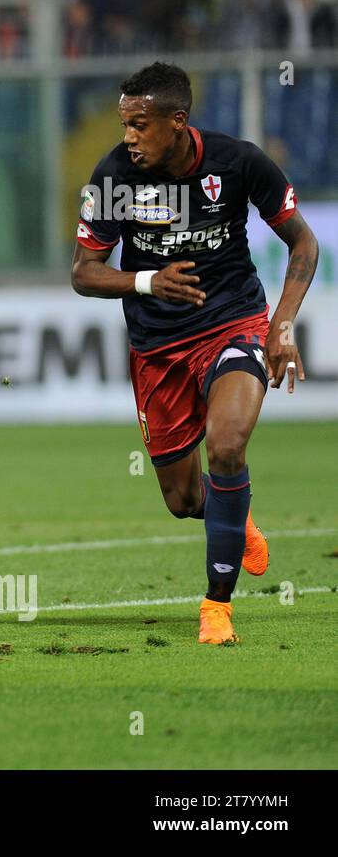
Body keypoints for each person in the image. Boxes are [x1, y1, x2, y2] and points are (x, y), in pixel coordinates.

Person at [71, 61, 318, 644]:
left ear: (176, 121)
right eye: (124, 124)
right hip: (157, 347)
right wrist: (147, 281)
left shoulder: (238, 162)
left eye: (139, 125)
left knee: (226, 446)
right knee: (183, 500)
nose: (128, 137)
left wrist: (281, 325)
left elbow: (303, 241)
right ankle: (238, 518)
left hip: (232, 323)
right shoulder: (114, 178)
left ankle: (216, 606)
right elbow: (84, 273)